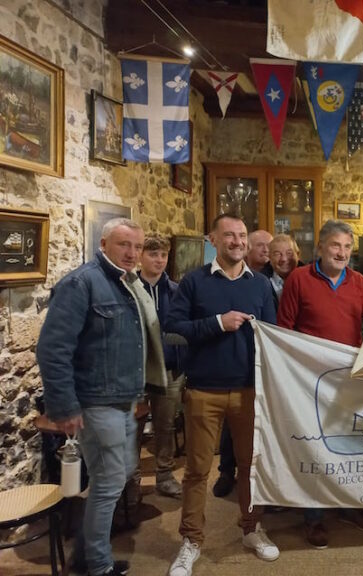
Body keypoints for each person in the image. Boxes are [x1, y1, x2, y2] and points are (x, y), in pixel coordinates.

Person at [38, 218, 167, 576]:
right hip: (96, 401)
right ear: (104, 242)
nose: (132, 253)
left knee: (118, 473)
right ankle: (96, 564)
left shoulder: (128, 284)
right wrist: (64, 406)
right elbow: (53, 349)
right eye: (124, 244)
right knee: (110, 480)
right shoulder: (82, 283)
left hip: (123, 398)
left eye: (137, 247)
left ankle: (84, 551)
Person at [167, 214, 279, 576]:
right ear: (212, 239)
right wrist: (218, 323)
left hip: (249, 392)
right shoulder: (193, 282)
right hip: (203, 392)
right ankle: (192, 541)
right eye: (229, 235)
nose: (237, 241)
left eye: (242, 235)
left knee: (250, 467)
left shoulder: (260, 285)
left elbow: (272, 337)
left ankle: (250, 529)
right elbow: (173, 328)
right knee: (198, 471)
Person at [278, 219, 363, 549]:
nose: (343, 253)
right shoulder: (298, 279)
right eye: (336, 245)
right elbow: (284, 330)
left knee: (350, 446)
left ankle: (348, 505)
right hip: (308, 380)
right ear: (319, 247)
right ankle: (314, 517)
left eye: (348, 247)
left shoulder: (360, 282)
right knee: (315, 449)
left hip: (347, 379)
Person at [213, 228, 273, 498]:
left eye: (269, 247)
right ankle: (227, 470)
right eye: (260, 246)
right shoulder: (243, 278)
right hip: (236, 367)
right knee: (233, 424)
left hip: (267, 363)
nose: (267, 252)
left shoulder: (269, 279)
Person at [139, 235, 185, 498]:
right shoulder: (128, 287)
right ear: (141, 256)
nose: (158, 260)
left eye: (163, 256)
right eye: (153, 254)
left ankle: (165, 475)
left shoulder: (176, 291)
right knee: (132, 428)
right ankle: (130, 479)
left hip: (169, 368)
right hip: (137, 370)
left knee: (165, 424)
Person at [266, 233, 301, 305]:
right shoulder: (261, 282)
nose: (284, 259)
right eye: (277, 254)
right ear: (269, 257)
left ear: (297, 255)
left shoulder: (309, 280)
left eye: (289, 253)